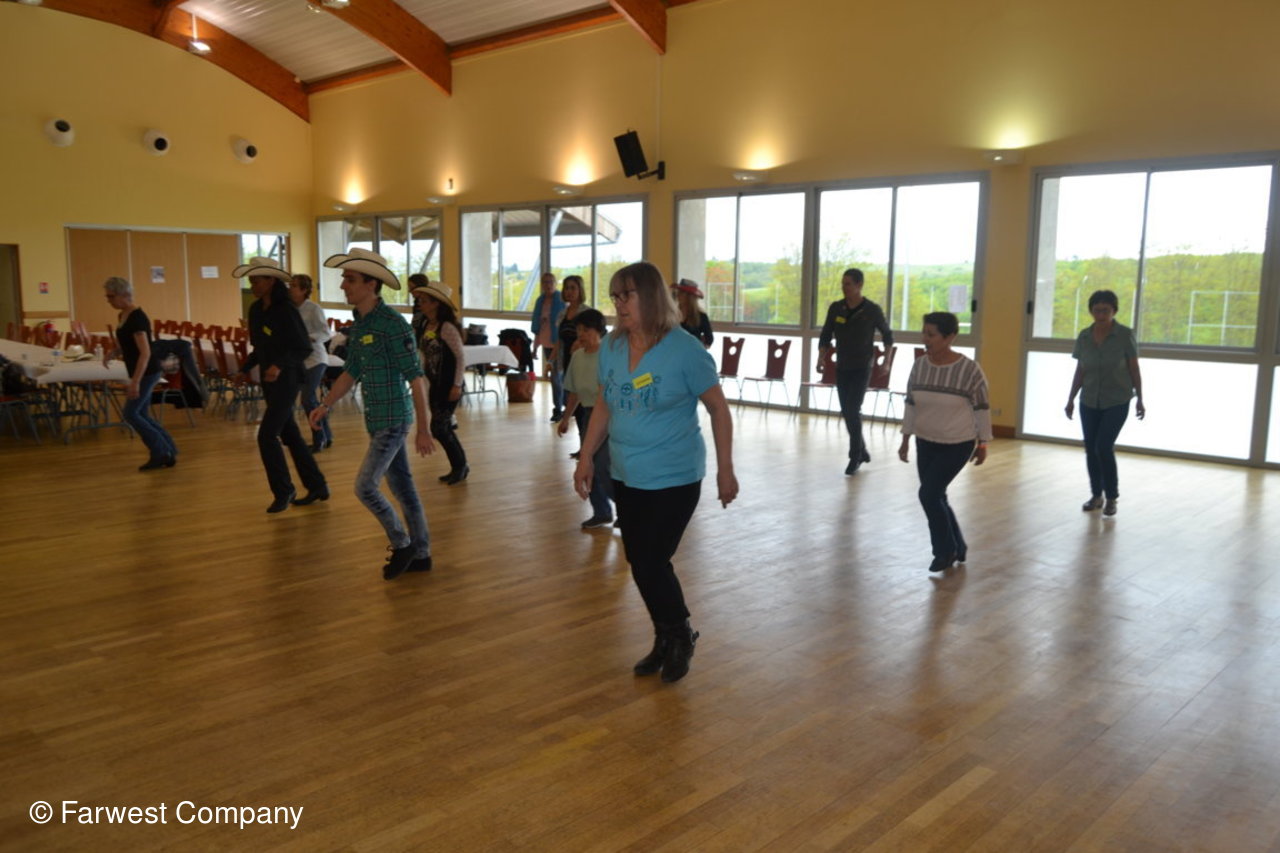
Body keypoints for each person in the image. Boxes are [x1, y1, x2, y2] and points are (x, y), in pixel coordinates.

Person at [573, 262, 738, 684]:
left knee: (650, 560)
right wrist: (586, 456)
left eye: (626, 295)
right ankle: (666, 637)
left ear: (649, 297)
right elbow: (605, 403)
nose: (619, 305)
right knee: (640, 559)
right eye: (614, 297)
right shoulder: (612, 346)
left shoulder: (685, 350)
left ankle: (680, 635)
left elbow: (718, 409)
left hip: (675, 476)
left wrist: (726, 469)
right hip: (627, 473)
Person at [310, 248, 436, 581]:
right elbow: (351, 371)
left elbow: (416, 378)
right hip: (376, 420)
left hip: (394, 419)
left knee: (365, 487)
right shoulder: (362, 323)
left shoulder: (393, 325)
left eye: (350, 280)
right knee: (403, 489)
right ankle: (421, 554)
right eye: (344, 279)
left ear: (371, 284)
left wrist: (424, 429)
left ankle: (403, 544)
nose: (343, 286)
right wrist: (325, 405)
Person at [897, 312, 991, 573]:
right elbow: (911, 404)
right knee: (937, 495)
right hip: (925, 441)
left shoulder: (969, 370)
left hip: (957, 444)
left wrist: (983, 443)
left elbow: (982, 408)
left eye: (931, 335)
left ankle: (944, 551)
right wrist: (905, 439)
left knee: (928, 494)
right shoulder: (920, 366)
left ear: (949, 337)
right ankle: (958, 545)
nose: (925, 339)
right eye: (924, 333)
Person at [234, 258, 328, 514]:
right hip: (269, 380)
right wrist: (244, 369)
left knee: (266, 435)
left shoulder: (286, 310)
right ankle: (317, 485)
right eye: (251, 281)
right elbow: (259, 347)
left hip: (288, 379)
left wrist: (278, 365)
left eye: (256, 281)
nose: (252, 285)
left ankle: (284, 491)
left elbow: (303, 347)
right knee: (290, 435)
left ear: (271, 281)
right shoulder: (256, 310)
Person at [1064, 289, 1145, 517]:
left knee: (1103, 446)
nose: (1101, 315)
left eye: (1106, 310)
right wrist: (1071, 398)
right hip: (1089, 400)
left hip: (1117, 400)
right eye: (1097, 310)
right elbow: (1080, 370)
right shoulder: (1084, 336)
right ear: (1091, 311)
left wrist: (1140, 398)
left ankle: (1111, 497)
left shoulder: (1124, 335)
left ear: (1114, 311)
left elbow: (1134, 368)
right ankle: (1096, 495)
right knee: (1091, 448)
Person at [818, 268, 893, 475]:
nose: (844, 288)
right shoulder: (836, 308)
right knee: (847, 411)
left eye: (848, 284)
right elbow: (826, 335)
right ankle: (862, 449)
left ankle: (855, 455)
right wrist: (821, 358)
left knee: (852, 409)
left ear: (859, 285)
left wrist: (887, 361)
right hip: (842, 366)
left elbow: (888, 336)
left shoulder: (871, 310)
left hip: (862, 366)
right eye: (843, 284)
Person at [102, 276, 178, 471]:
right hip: (140, 371)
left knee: (131, 413)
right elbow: (128, 344)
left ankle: (161, 452)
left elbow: (145, 352)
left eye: (111, 296)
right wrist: (114, 352)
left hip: (147, 371)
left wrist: (135, 382)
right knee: (141, 413)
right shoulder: (123, 315)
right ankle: (168, 449)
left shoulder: (137, 318)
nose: (108, 300)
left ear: (124, 294)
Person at [557, 308, 613, 528]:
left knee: (604, 465)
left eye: (586, 330)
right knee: (588, 464)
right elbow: (574, 393)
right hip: (588, 416)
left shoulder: (609, 356)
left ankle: (627, 508)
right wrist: (565, 418)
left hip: (610, 416)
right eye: (579, 329)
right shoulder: (577, 357)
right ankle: (602, 511)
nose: (581, 334)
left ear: (599, 331)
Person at [410, 279, 469, 485]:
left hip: (449, 385)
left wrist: (457, 385)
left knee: (440, 427)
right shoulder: (426, 325)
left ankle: (460, 466)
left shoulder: (447, 327)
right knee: (442, 427)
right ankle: (459, 466)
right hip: (435, 384)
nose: (420, 304)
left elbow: (460, 357)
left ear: (436, 303)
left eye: (425, 301)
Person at [288, 273, 333, 453]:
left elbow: (325, 333)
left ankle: (318, 439)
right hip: (299, 361)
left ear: (304, 290)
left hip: (316, 359)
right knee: (310, 400)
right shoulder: (289, 308)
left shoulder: (314, 308)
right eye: (290, 285)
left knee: (307, 399)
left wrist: (309, 338)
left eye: (294, 286)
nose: (290, 288)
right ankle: (327, 436)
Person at [530, 271, 566, 422]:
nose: (548, 285)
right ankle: (563, 405)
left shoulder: (561, 300)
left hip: (559, 344)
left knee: (556, 377)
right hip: (546, 342)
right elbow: (537, 326)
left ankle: (558, 408)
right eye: (545, 282)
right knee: (556, 376)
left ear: (555, 284)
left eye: (551, 282)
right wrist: (535, 348)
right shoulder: (540, 301)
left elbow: (562, 325)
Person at [673, 278, 713, 348]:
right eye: (678, 292)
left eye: (681, 293)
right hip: (674, 350)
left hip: (692, 351)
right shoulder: (673, 314)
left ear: (689, 297)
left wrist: (698, 349)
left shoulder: (701, 316)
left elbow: (709, 339)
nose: (678, 295)